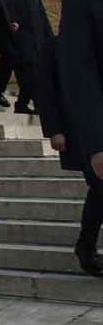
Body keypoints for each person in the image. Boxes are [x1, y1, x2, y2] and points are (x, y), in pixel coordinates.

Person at [36, 33, 102, 278]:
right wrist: (54, 130)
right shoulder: (55, 45)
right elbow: (44, 90)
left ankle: (85, 245)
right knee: (100, 185)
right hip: (80, 132)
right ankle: (86, 247)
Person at [0, 0, 52, 114]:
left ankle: (30, 103)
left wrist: (49, 39)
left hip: (37, 41)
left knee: (31, 74)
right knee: (30, 71)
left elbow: (42, 17)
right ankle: (22, 103)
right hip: (19, 41)